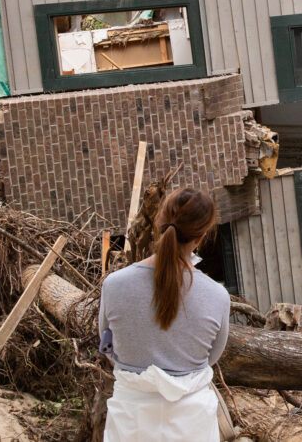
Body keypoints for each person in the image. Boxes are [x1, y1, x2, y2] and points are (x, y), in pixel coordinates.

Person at [98, 188, 230, 442]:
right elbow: (212, 356)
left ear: (158, 224)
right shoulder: (218, 296)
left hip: (130, 423)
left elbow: (107, 345)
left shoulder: (114, 285)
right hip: (193, 425)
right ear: (201, 237)